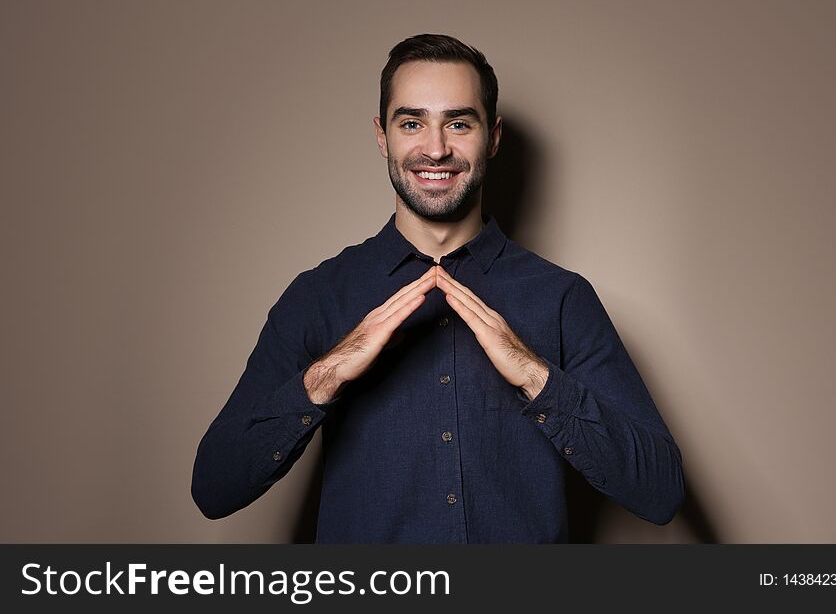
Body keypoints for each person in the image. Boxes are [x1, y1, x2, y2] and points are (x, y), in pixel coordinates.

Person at [191, 34, 684, 542]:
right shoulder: (317, 297)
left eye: (458, 123)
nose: (435, 148)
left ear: (491, 137)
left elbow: (661, 493)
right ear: (382, 136)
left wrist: (537, 377)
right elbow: (215, 488)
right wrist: (325, 376)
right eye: (411, 123)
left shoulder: (561, 298)